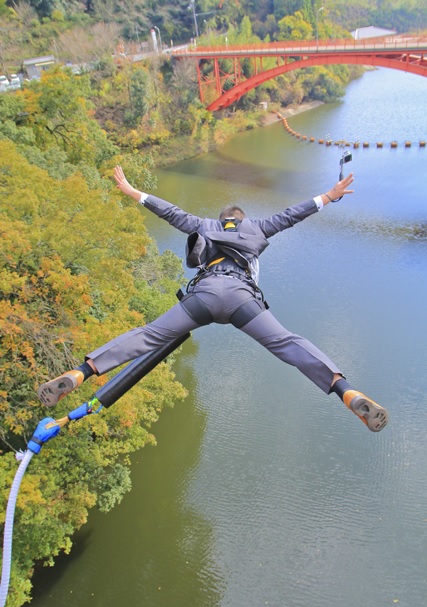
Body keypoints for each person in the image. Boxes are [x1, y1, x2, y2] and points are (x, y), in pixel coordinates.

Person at [37, 165, 388, 432]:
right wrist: (329, 195)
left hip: (203, 296)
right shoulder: (257, 228)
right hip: (240, 299)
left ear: (221, 221)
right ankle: (345, 391)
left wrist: (132, 191)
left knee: (148, 335)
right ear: (242, 220)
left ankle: (82, 372)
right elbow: (290, 216)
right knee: (287, 343)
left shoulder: (203, 225)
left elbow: (170, 212)